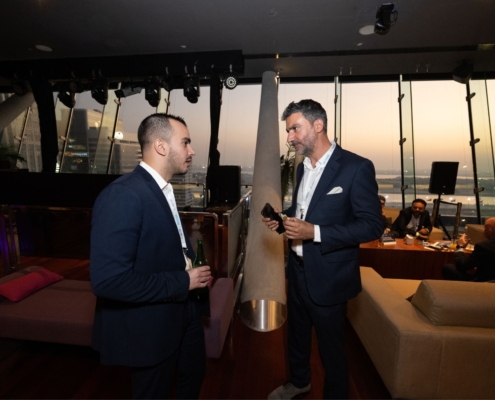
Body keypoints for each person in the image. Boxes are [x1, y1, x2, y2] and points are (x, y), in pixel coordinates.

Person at [262, 99, 383, 399]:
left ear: (318, 125)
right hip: (297, 272)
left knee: (332, 350)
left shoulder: (356, 168)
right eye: (288, 131)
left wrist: (314, 232)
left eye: (294, 129)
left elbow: (372, 226)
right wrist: (283, 217)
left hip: (330, 278)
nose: (289, 137)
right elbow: (305, 209)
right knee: (297, 337)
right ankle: (299, 382)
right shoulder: (302, 168)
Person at [90, 113, 211, 399]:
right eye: (185, 142)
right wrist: (184, 281)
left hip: (184, 312)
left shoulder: (161, 189)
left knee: (192, 378)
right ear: (161, 146)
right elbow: (109, 281)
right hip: (152, 327)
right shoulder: (123, 195)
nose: (192, 151)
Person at [442, 217, 495, 282]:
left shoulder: (483, 246)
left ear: (490, 231)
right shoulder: (484, 246)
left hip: (482, 284)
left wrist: (460, 247)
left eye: (485, 228)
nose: (483, 232)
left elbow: (463, 265)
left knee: (448, 268)